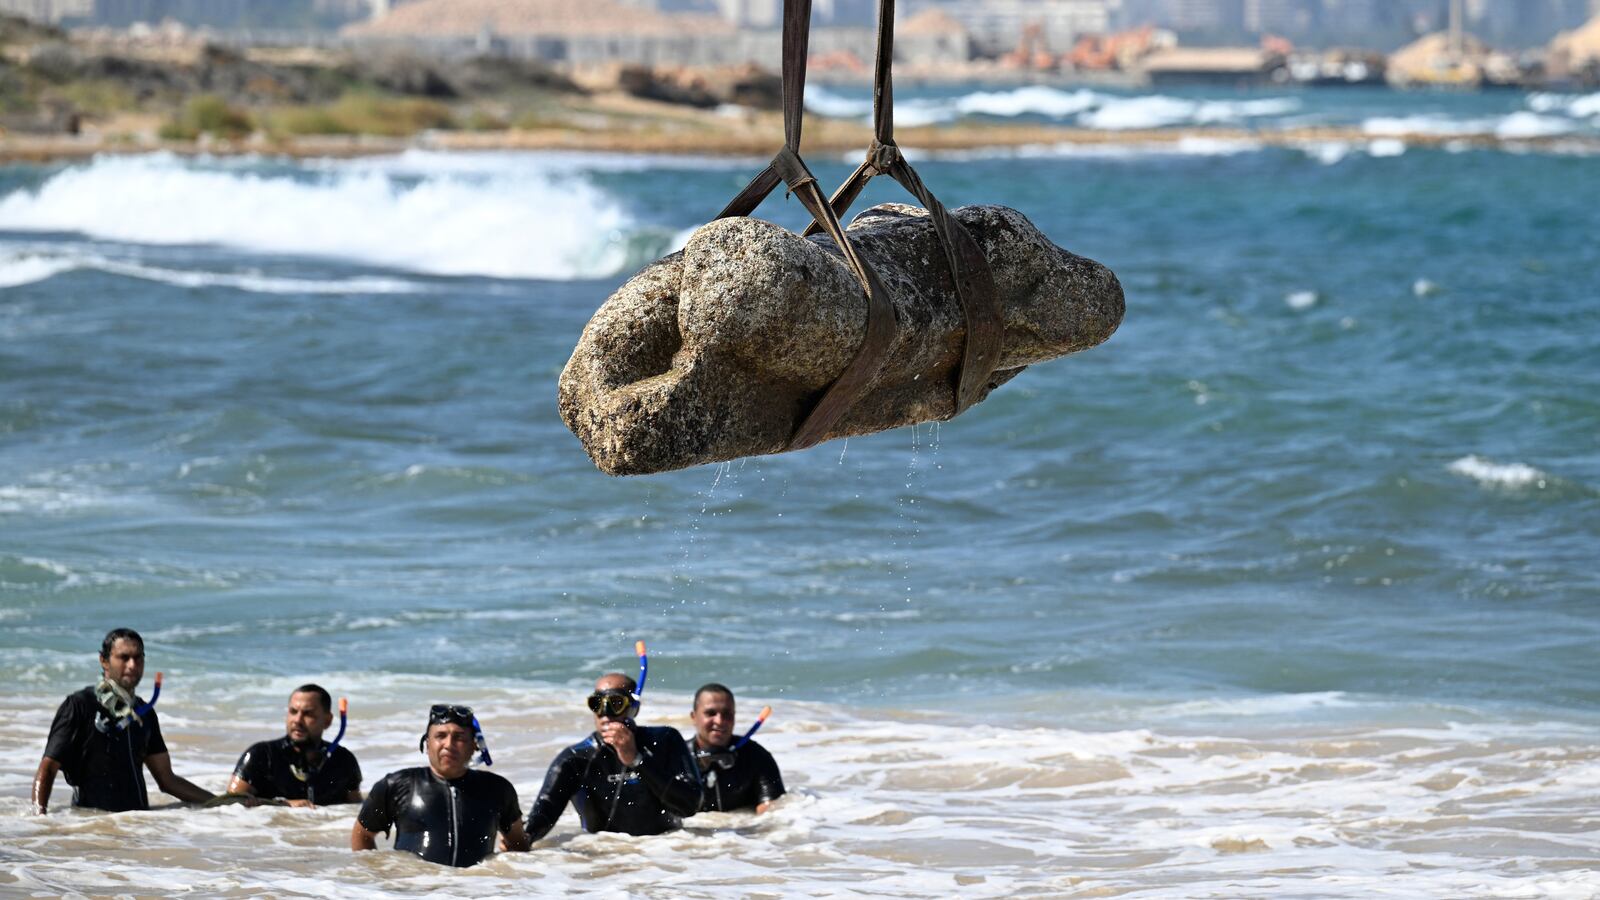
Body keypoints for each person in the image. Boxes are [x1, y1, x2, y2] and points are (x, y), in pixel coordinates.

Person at [32, 628, 213, 814]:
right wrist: (40, 820)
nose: (132, 665)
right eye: (124, 657)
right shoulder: (79, 706)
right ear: (104, 661)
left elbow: (167, 780)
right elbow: (48, 769)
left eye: (138, 657)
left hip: (136, 827)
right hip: (90, 826)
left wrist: (220, 803)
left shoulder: (145, 713)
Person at [524, 672, 701, 841]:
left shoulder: (665, 741)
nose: (605, 713)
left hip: (665, 853)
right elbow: (541, 817)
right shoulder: (575, 759)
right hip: (606, 856)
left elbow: (689, 805)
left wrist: (637, 760)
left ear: (634, 709)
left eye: (615, 703)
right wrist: (521, 840)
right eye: (597, 704)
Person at [351, 704, 529, 867]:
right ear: (427, 743)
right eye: (440, 736)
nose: (449, 745)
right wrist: (375, 880)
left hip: (475, 888)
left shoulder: (497, 789)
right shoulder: (395, 785)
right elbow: (362, 835)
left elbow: (518, 844)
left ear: (474, 745)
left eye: (459, 737)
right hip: (414, 891)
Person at [226, 684, 362, 807]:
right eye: (293, 711)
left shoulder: (344, 760)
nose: (297, 720)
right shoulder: (260, 755)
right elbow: (229, 803)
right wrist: (282, 804)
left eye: (308, 714)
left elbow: (356, 810)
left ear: (327, 721)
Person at [686, 683, 785, 813]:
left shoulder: (756, 756)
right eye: (710, 713)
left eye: (727, 714)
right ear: (694, 717)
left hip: (741, 832)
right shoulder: (676, 758)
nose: (720, 721)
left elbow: (772, 810)